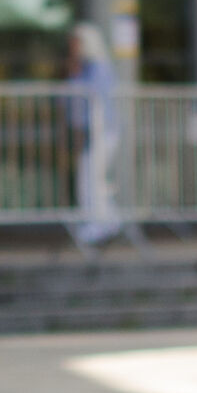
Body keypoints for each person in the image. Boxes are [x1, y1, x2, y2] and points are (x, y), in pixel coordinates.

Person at [67, 21, 122, 246]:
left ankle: (102, 223)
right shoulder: (87, 67)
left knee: (92, 177)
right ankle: (106, 220)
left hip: (103, 130)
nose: (72, 47)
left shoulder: (98, 67)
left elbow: (89, 98)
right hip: (94, 131)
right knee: (91, 177)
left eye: (75, 43)